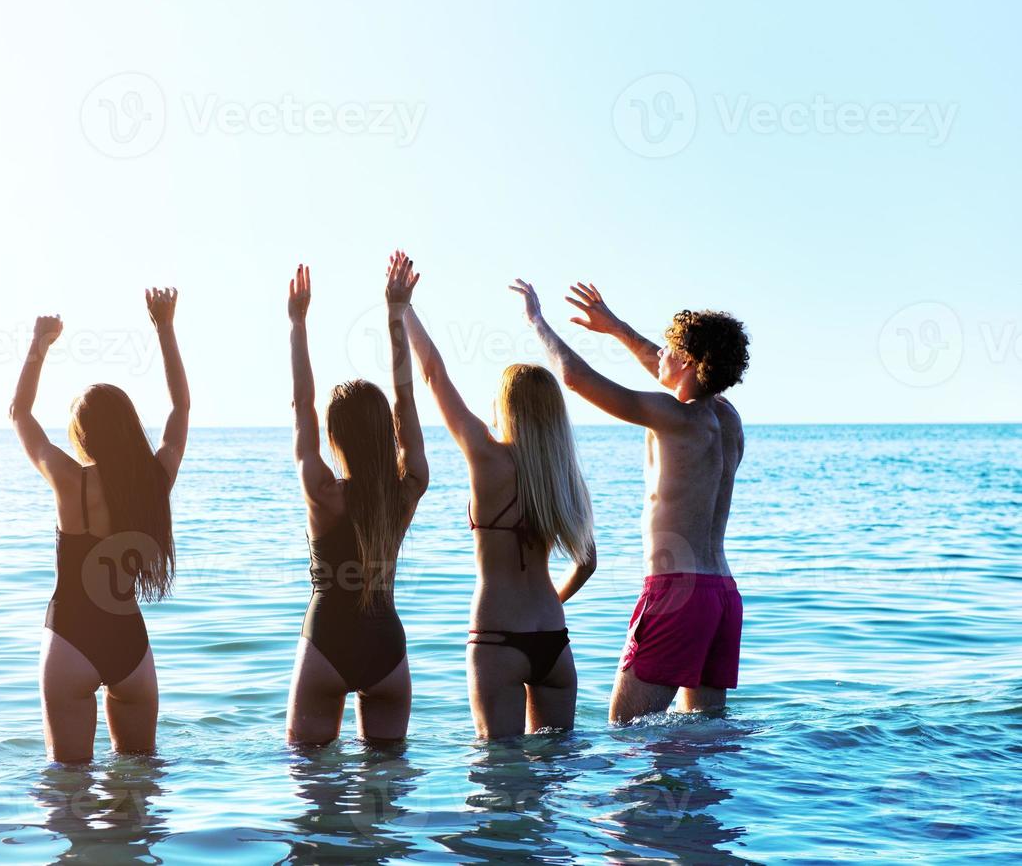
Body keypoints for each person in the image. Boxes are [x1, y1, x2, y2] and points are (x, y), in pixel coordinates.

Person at [512, 279, 749, 723]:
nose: (658, 351)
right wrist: (617, 328)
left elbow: (575, 378)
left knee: (627, 729)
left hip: (675, 591)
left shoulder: (672, 416)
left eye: (669, 347)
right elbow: (665, 368)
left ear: (691, 360)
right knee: (703, 736)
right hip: (721, 596)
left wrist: (536, 321)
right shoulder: (727, 420)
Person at [10, 289, 189, 763]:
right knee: (139, 784)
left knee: (67, 791)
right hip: (129, 645)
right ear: (129, 427)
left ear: (83, 435)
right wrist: (165, 329)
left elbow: (19, 415)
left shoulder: (70, 481)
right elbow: (180, 410)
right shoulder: (155, 480)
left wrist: (39, 345)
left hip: (70, 639)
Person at [403, 303, 596, 736]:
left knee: (499, 774)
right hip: (553, 638)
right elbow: (587, 563)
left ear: (506, 407)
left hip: (497, 638)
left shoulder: (486, 457)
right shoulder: (562, 477)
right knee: (556, 777)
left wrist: (404, 309)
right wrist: (552, 604)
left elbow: (434, 374)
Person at [287, 253, 429, 745]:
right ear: (384, 431)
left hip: (326, 642)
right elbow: (406, 401)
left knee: (312, 792)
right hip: (385, 648)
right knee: (386, 798)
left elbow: (300, 405)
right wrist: (395, 315)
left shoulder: (322, 494)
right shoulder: (407, 490)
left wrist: (298, 324)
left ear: (336, 435)